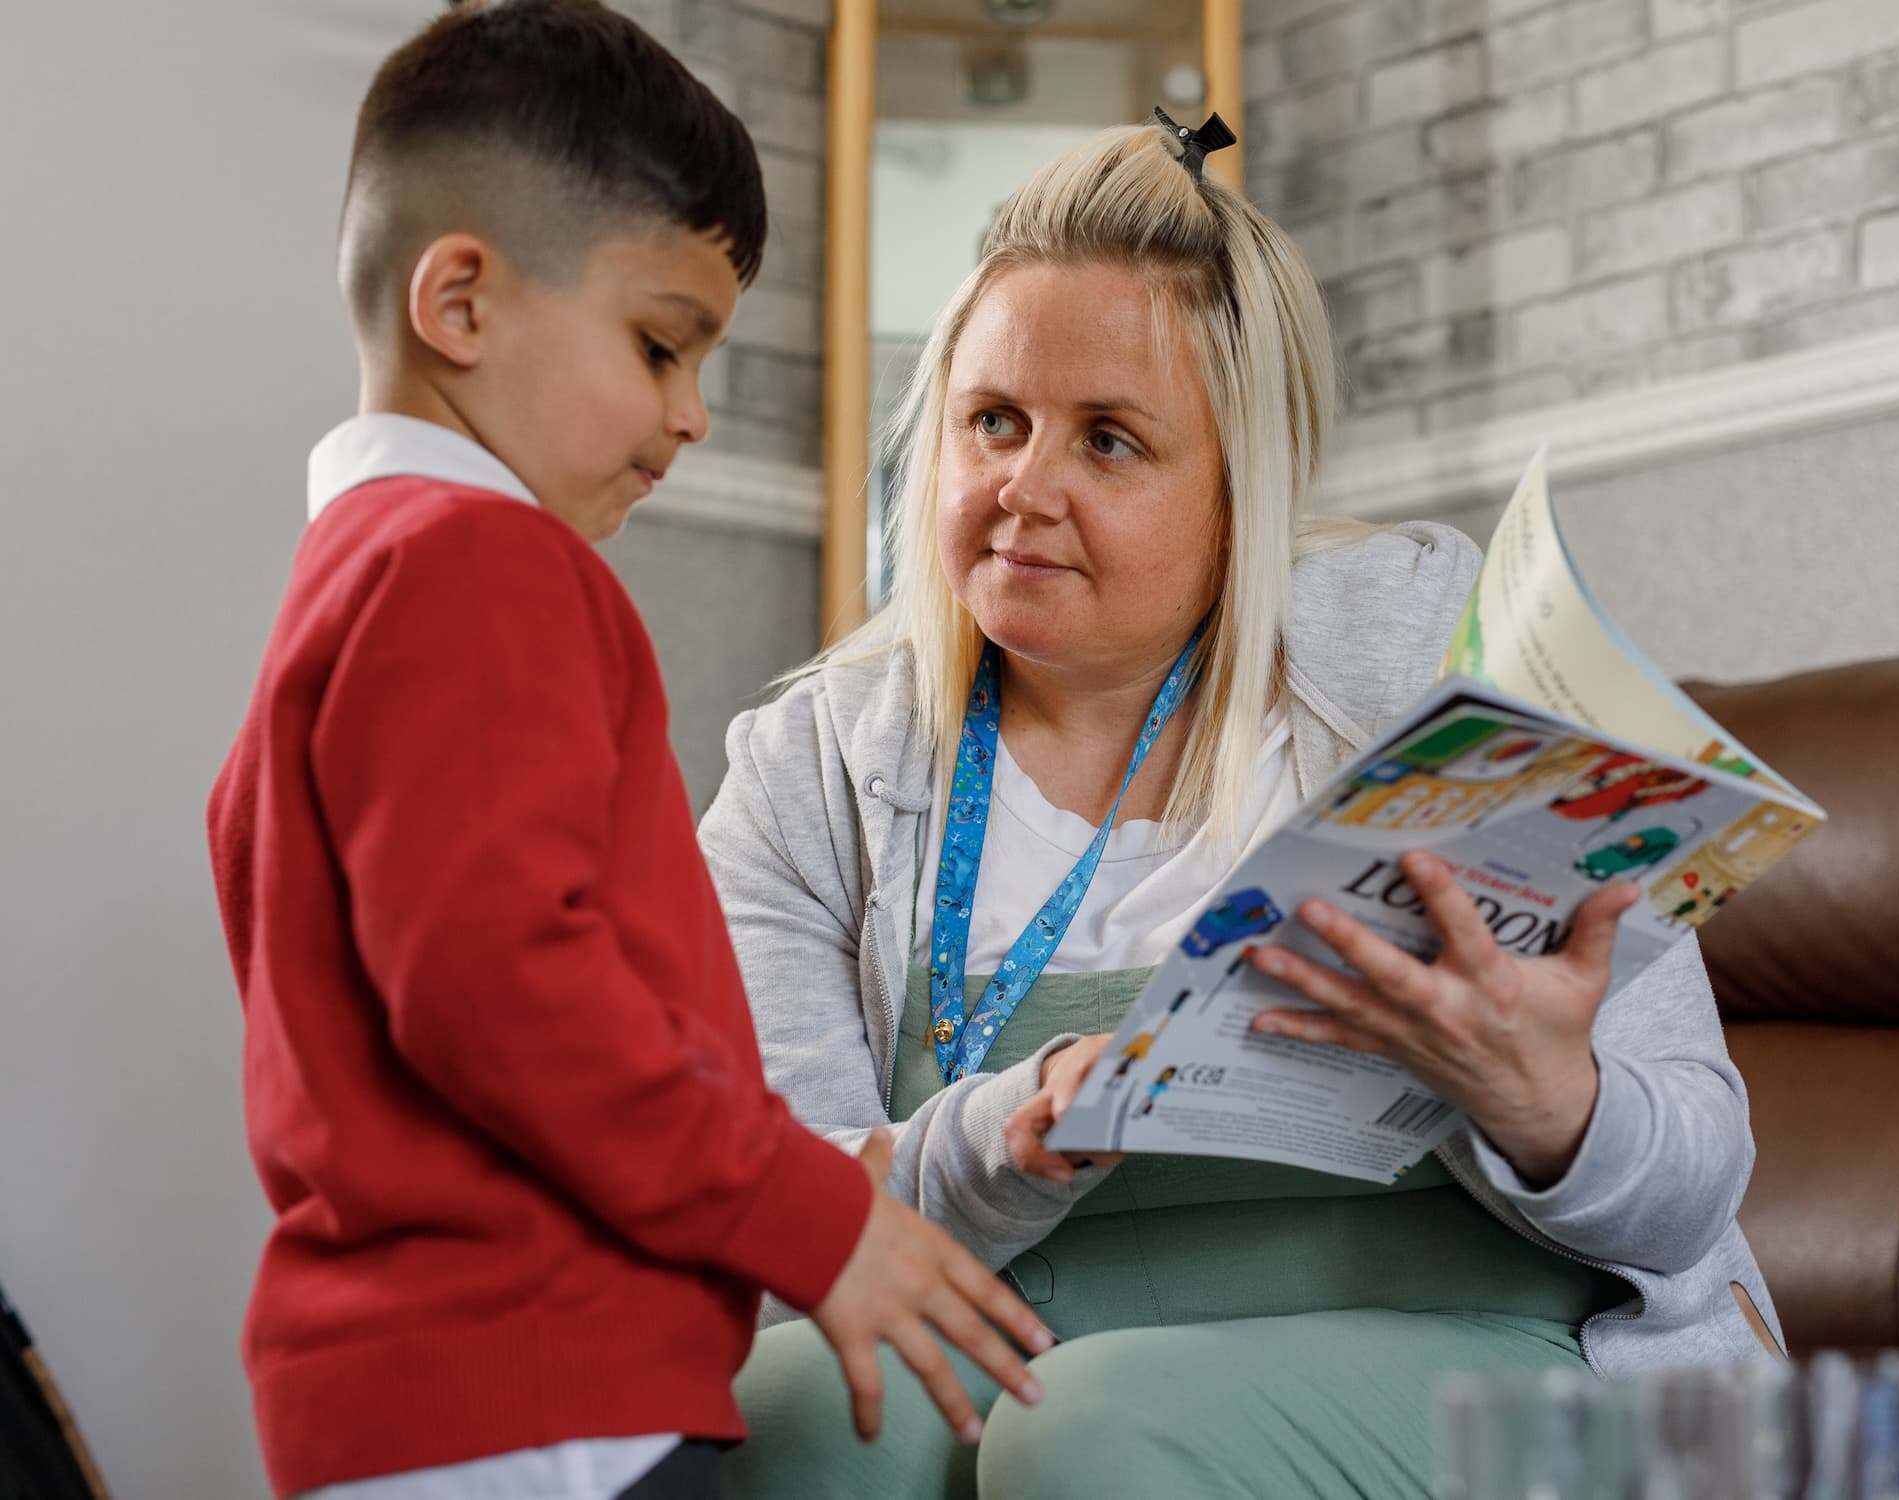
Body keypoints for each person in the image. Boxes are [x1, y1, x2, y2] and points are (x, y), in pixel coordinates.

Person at [699, 112, 1784, 1499]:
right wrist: (1003, 1134)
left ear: (1236, 500)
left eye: (1109, 441)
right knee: (786, 1409)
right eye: (993, 423)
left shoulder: (1434, 669)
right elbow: (792, 1237)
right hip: (1028, 1326)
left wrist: (1549, 1100)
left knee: (1099, 1432)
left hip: (1497, 1343)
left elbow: (1693, 1184)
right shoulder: (809, 766)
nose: (1025, 487)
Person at [205, 5, 1051, 1497]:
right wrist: (815, 1218)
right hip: (542, 1398)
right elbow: (504, 987)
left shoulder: (343, 590)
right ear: (457, 302)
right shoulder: (480, 566)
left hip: (419, 1401)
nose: (693, 415)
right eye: (660, 346)